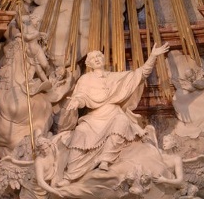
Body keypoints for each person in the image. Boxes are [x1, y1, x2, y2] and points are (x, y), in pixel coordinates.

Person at [52, 42, 170, 185]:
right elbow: (81, 96)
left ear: (103, 59)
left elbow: (141, 73)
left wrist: (153, 56)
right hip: (94, 117)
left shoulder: (115, 77)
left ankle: (105, 160)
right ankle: (70, 176)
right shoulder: (85, 79)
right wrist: (77, 101)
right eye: (93, 58)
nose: (96, 59)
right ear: (89, 64)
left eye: (99, 56)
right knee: (80, 132)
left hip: (113, 112)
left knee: (122, 121)